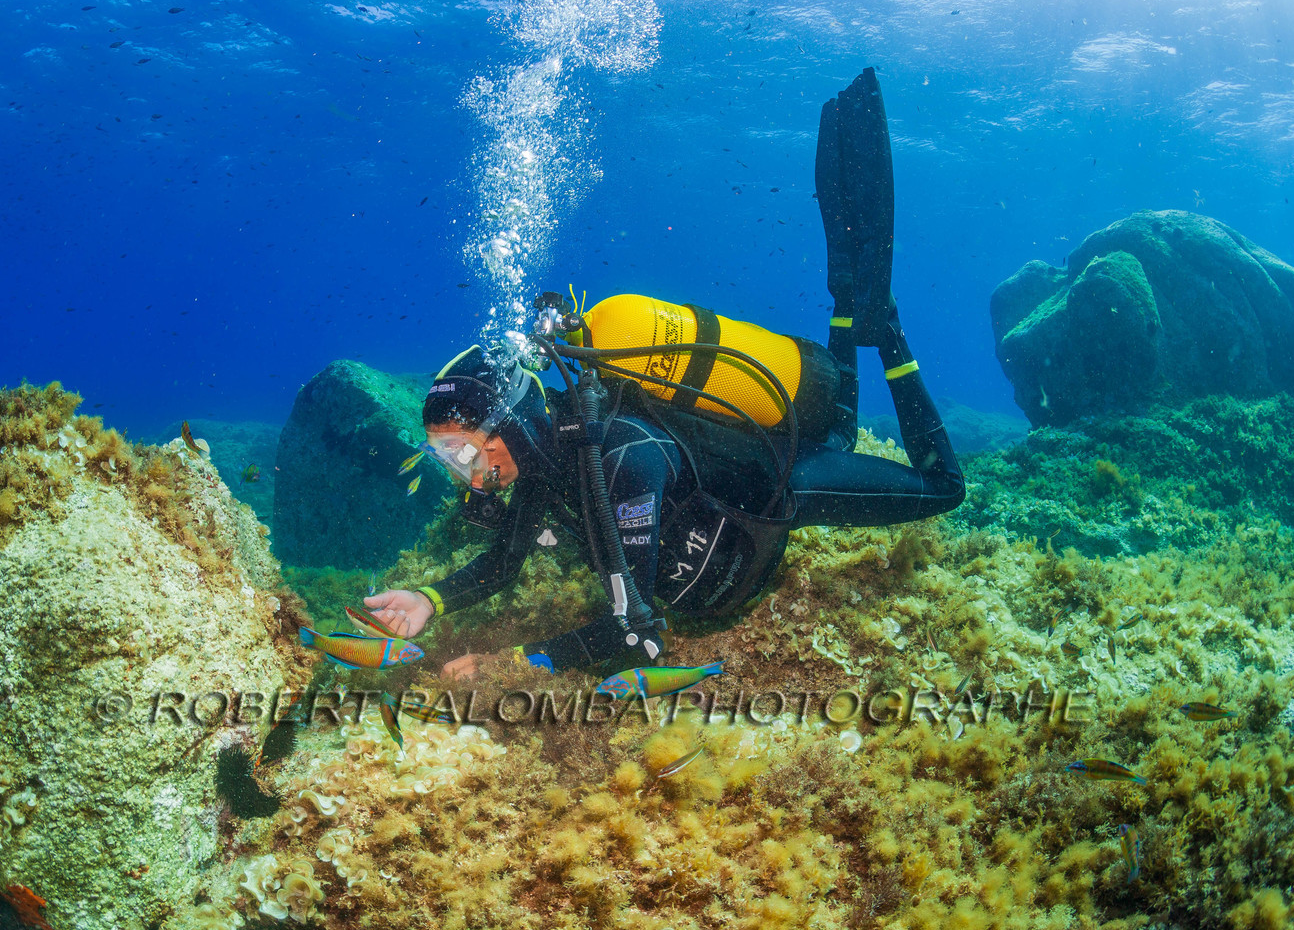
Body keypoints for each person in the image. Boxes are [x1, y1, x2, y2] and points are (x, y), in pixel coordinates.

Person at [364, 68, 964, 678]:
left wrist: (512, 665)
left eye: (463, 454)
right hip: (769, 474)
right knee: (839, 419)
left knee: (941, 488)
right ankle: (846, 302)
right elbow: (505, 561)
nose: (465, 476)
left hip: (787, 482)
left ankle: (883, 327)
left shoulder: (621, 458)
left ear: (509, 426)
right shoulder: (546, 461)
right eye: (445, 458)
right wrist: (427, 600)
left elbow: (638, 636)